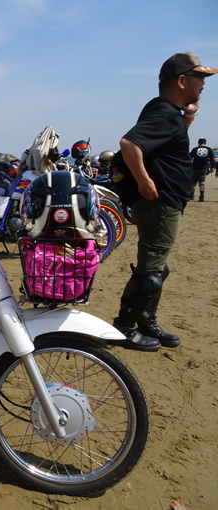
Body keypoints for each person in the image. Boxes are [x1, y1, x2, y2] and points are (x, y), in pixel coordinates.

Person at [111, 51, 217, 352]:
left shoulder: (166, 112)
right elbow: (129, 143)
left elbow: (168, 141)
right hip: (159, 204)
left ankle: (146, 321)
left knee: (158, 269)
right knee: (150, 273)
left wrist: (189, 116)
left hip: (166, 203)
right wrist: (144, 180)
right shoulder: (163, 113)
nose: (203, 83)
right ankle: (125, 327)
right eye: (199, 77)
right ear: (181, 81)